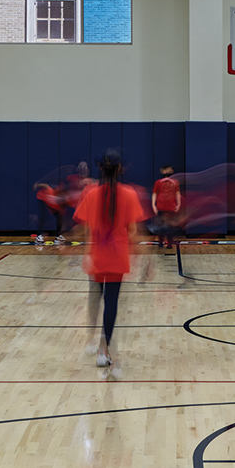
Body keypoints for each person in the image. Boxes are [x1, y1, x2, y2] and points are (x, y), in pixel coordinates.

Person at [67, 149, 146, 379]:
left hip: (96, 255)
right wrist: (144, 255)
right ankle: (105, 350)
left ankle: (91, 339)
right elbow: (132, 231)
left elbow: (84, 228)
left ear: (100, 168)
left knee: (95, 297)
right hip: (117, 255)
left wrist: (65, 240)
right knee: (111, 303)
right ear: (120, 169)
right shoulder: (129, 194)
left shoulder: (90, 193)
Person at [152, 165, 184, 250]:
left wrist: (178, 204)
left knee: (170, 227)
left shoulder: (175, 182)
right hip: (161, 207)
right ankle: (160, 242)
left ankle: (169, 244)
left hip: (171, 207)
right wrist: (153, 205)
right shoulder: (158, 182)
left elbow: (177, 193)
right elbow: (155, 194)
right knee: (160, 225)